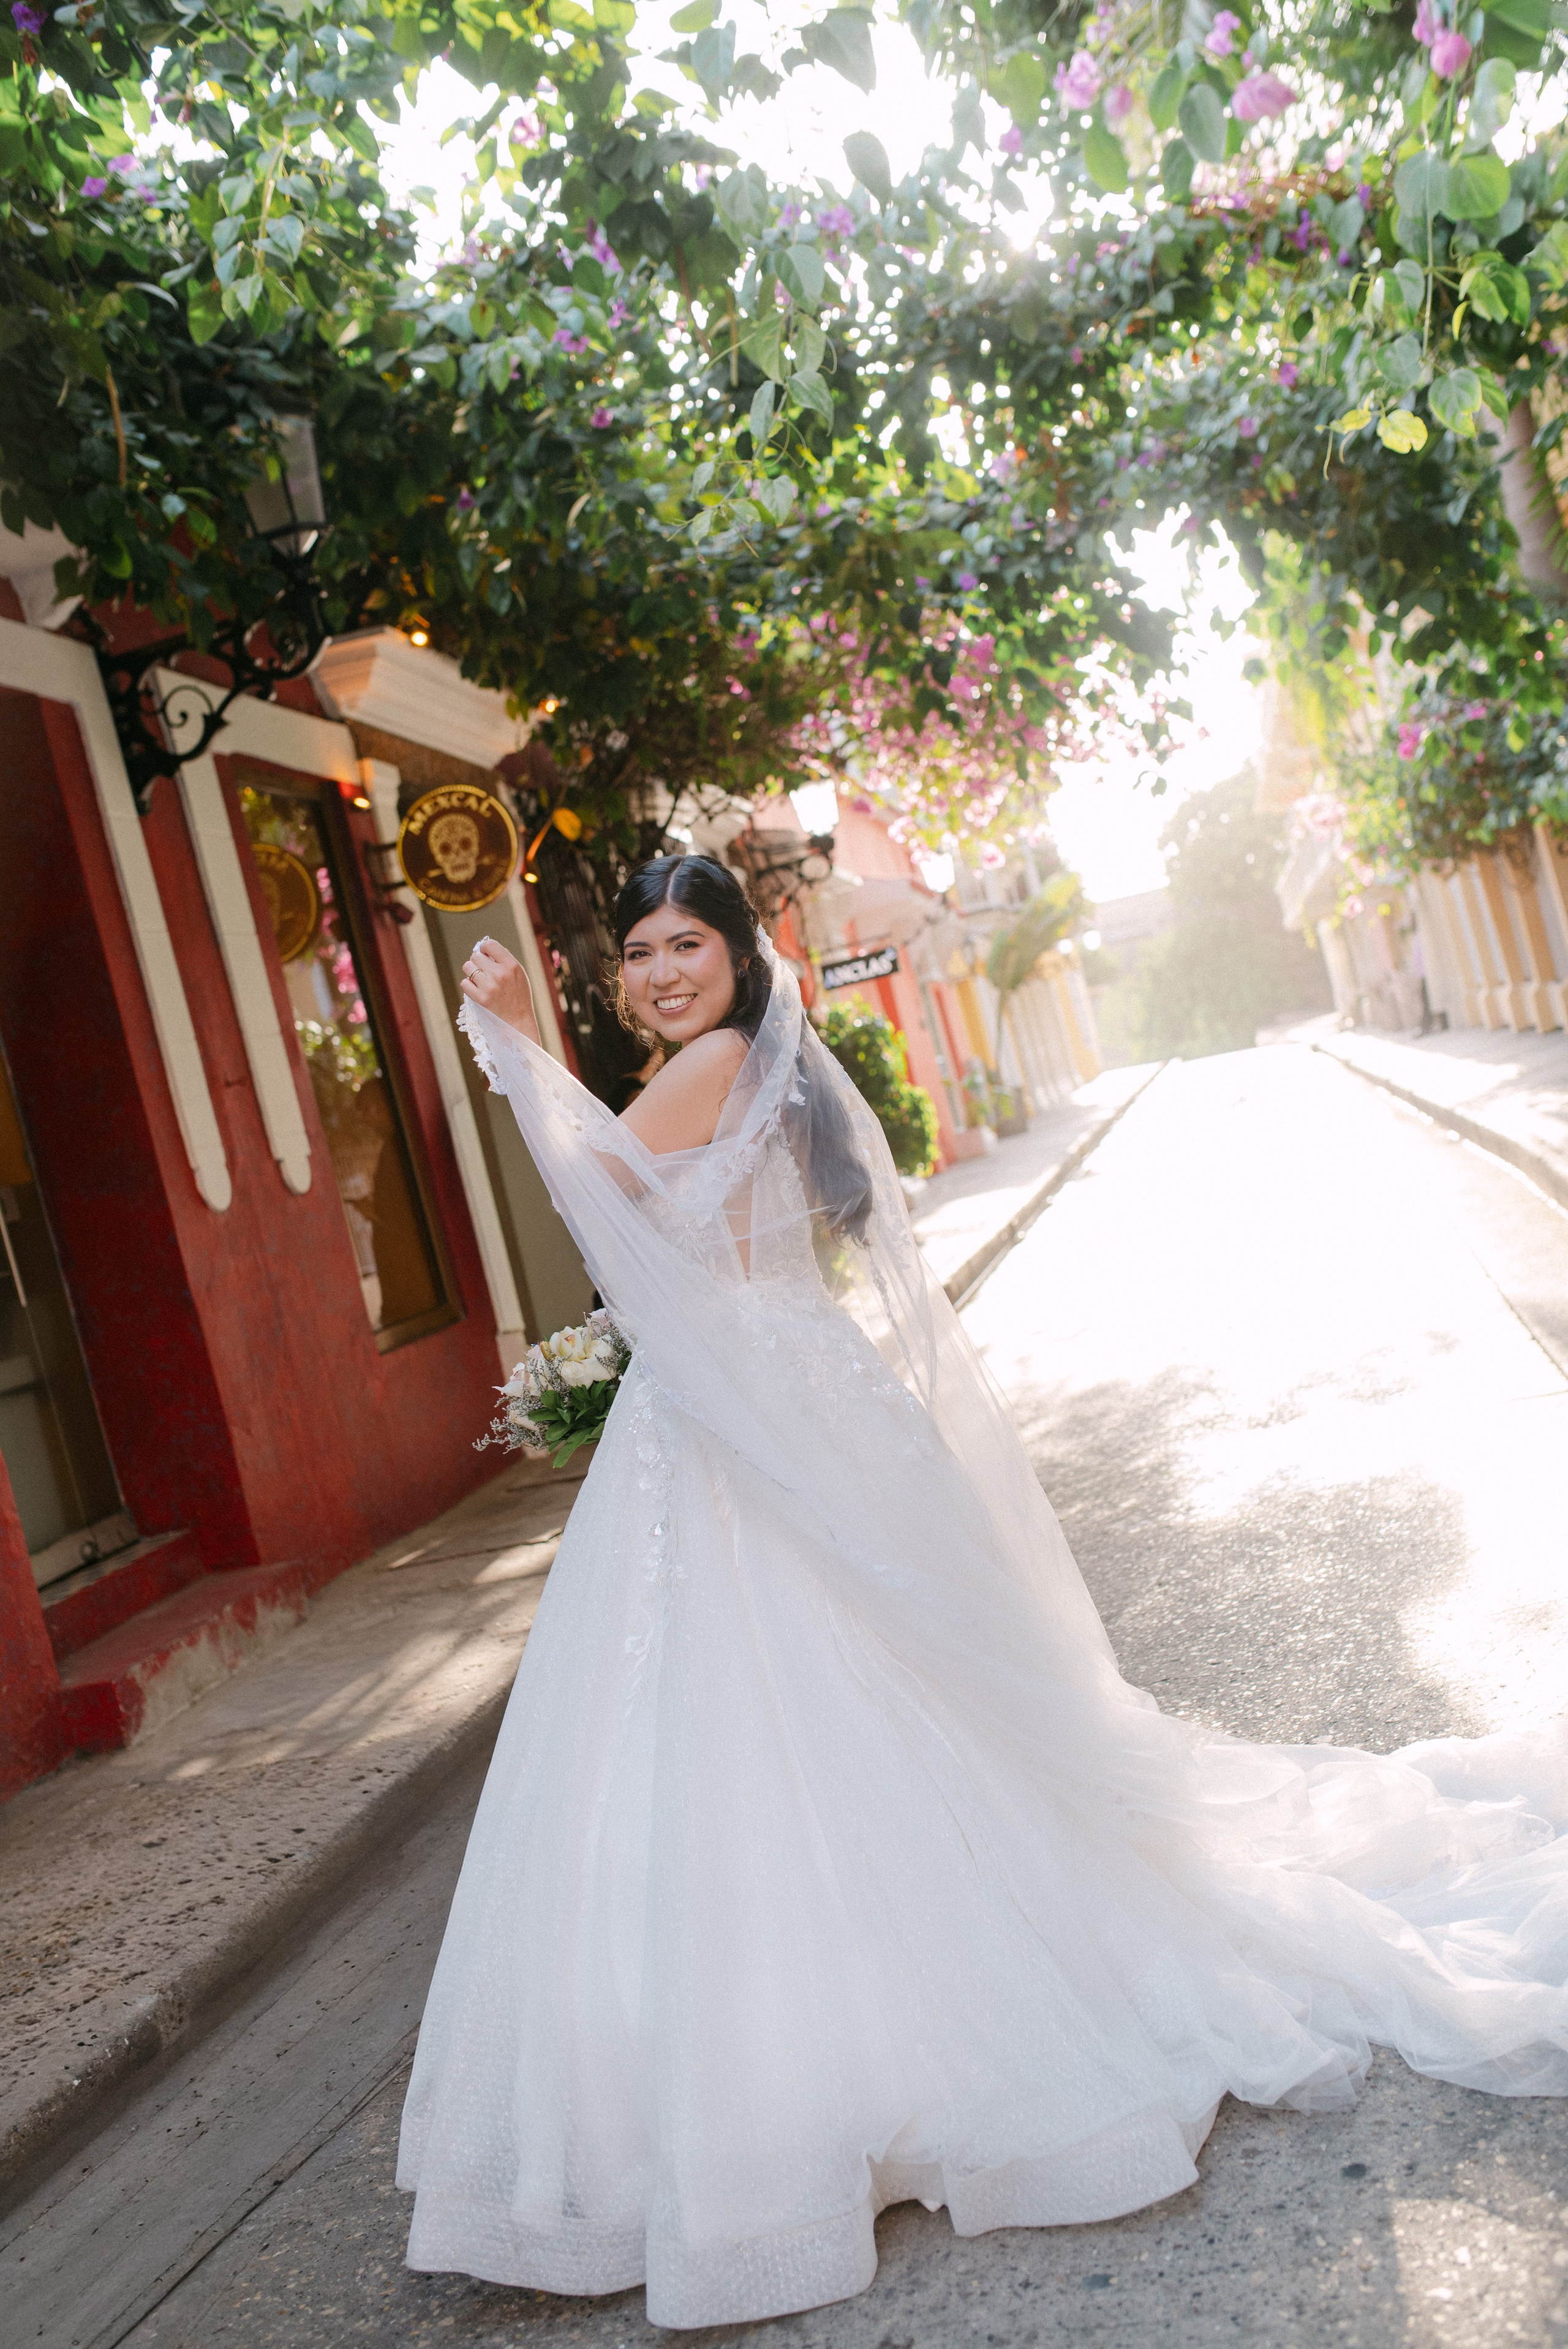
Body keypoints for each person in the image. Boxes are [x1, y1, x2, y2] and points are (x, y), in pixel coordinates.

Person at [399, 852, 1568, 2332]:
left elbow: (599, 1187)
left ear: (740, 953)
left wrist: (504, 1039)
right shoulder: (766, 1067)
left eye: (686, 940)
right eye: (636, 949)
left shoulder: (703, 1063)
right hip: (776, 1390)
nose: (659, 969)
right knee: (859, 1694)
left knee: (754, 1714)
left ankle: (809, 2086)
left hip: (733, 1418)